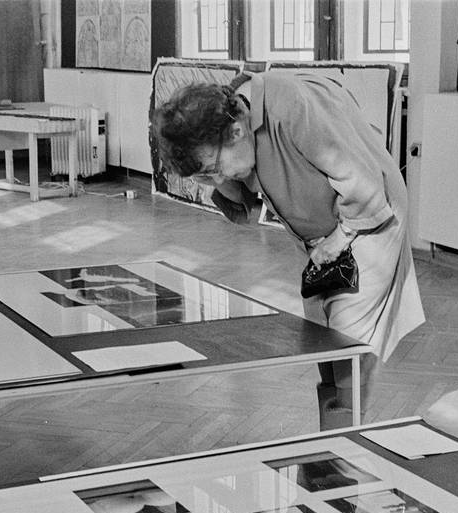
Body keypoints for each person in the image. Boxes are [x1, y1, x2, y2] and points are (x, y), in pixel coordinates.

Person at [151, 71, 425, 430]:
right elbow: (246, 208)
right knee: (323, 338)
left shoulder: (292, 105)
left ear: (236, 131)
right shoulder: (233, 120)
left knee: (348, 343)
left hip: (368, 220)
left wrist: (340, 238)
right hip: (323, 235)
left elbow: (362, 179)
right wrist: (213, 175)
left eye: (214, 168)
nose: (217, 179)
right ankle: (332, 438)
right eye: (205, 175)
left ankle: (342, 445)